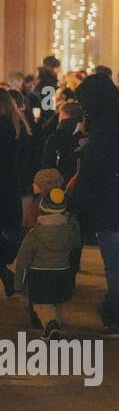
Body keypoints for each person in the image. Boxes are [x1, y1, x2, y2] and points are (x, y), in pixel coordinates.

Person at [66, 72, 119, 337]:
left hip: (110, 201)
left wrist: (76, 199)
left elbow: (93, 166)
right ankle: (116, 310)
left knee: (114, 262)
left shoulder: (104, 125)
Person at [13, 186, 80, 340]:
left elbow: (23, 259)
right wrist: (73, 223)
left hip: (40, 274)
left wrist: (19, 283)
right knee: (57, 302)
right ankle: (53, 326)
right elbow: (76, 243)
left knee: (41, 305)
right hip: (63, 272)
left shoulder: (34, 234)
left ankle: (51, 325)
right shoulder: (69, 230)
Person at [0, 92, 30, 298]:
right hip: (11, 185)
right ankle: (7, 273)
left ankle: (6, 273)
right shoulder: (19, 126)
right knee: (11, 230)